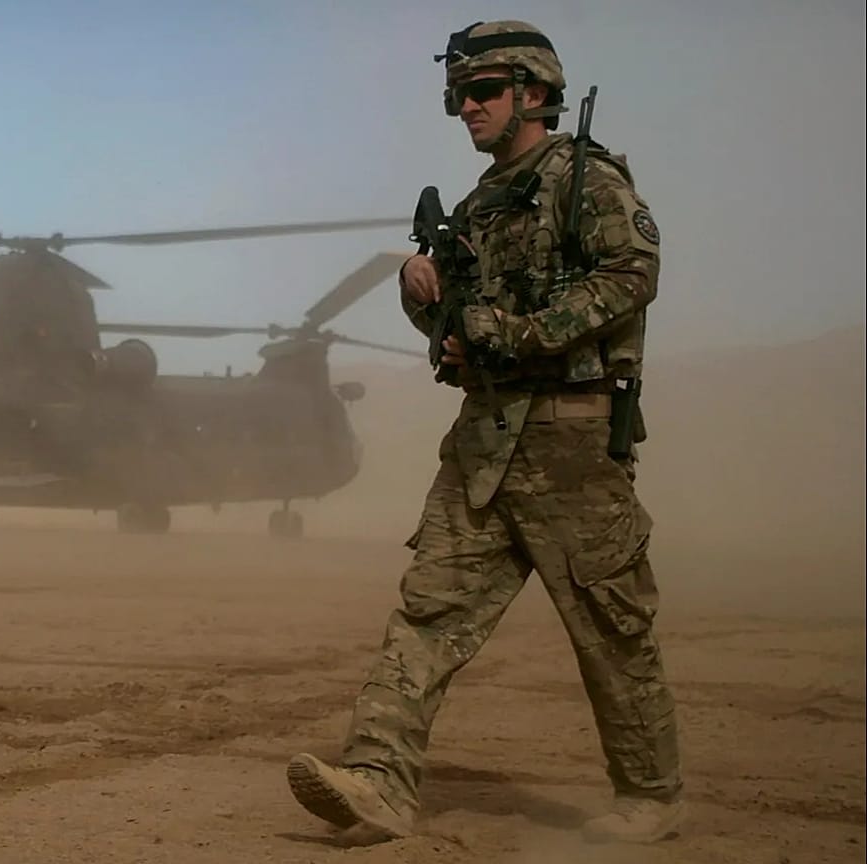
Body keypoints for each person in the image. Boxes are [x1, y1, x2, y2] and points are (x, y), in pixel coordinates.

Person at [285, 20, 683, 846]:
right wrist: (420, 288)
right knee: (427, 615)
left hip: (571, 441)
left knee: (610, 627)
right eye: (457, 93)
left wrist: (518, 332)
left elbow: (631, 275)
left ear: (533, 93)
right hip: (483, 441)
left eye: (483, 91)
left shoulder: (586, 180)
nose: (465, 107)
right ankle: (377, 782)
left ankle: (652, 794)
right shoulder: (479, 205)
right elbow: (458, 327)